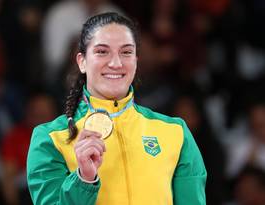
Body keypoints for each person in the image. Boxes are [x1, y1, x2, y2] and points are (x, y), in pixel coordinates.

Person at [27, 12, 207, 205]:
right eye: (102, 52)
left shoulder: (176, 132)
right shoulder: (49, 139)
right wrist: (83, 179)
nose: (115, 63)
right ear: (82, 61)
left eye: (126, 52)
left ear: (136, 61)